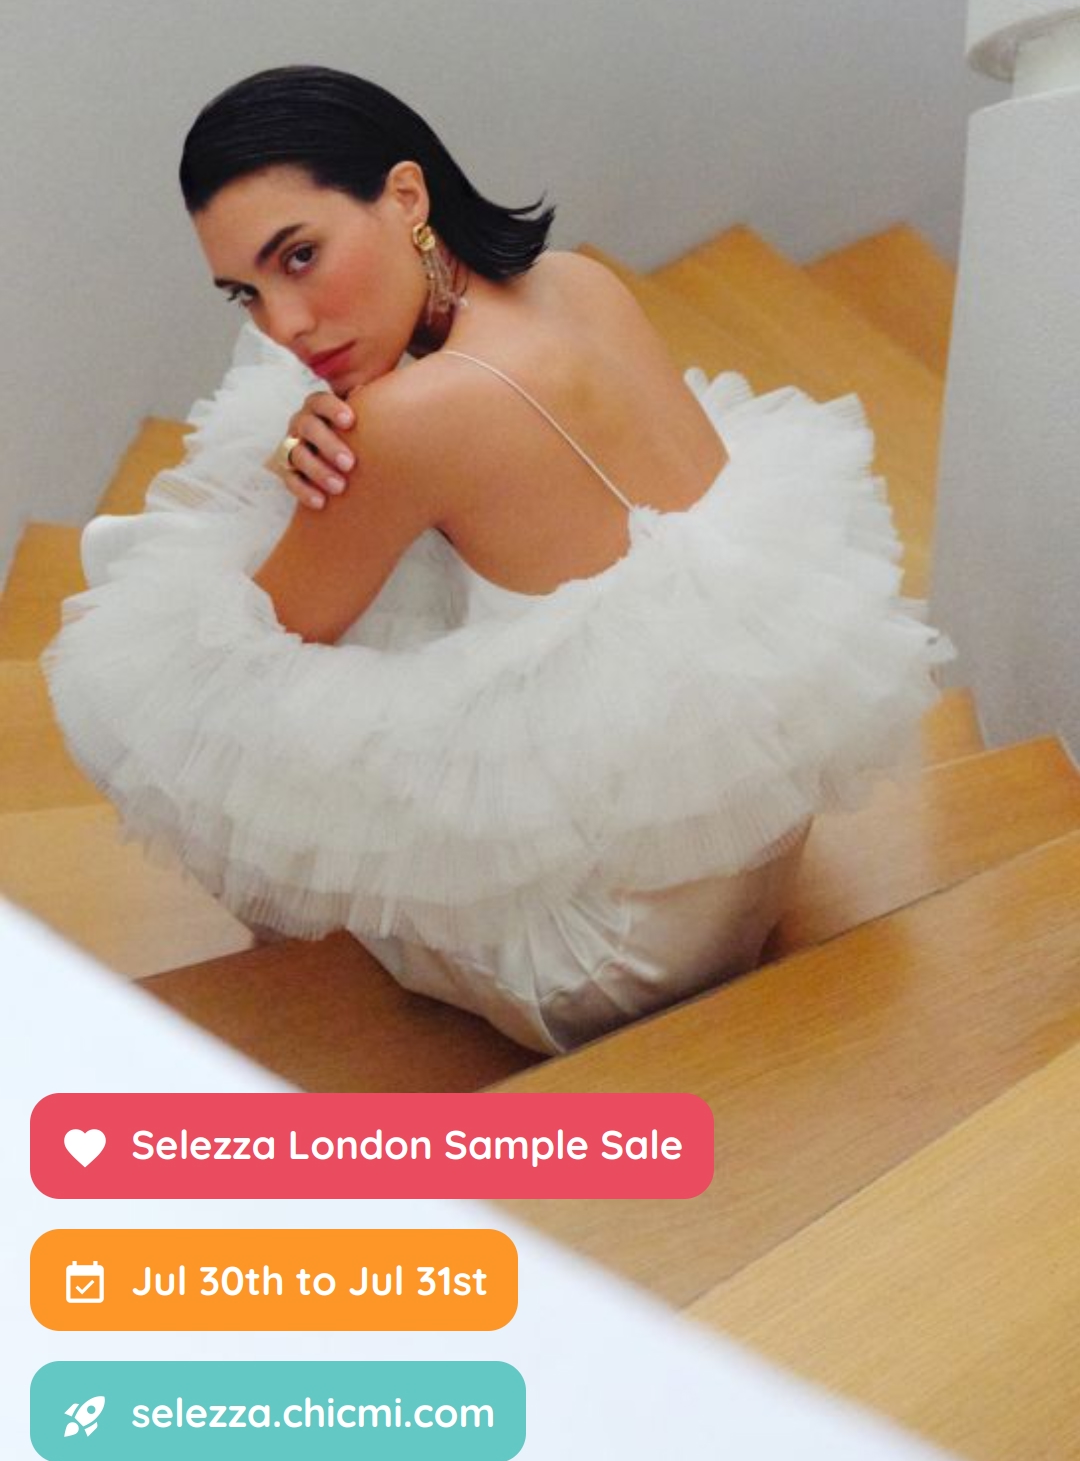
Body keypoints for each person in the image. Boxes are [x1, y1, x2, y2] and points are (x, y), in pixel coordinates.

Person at [43, 65, 955, 1054]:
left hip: (597, 960)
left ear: (406, 196)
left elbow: (228, 668)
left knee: (132, 676)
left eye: (300, 256)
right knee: (357, 558)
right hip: (740, 852)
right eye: (247, 294)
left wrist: (282, 471)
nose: (286, 326)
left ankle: (299, 935)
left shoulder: (412, 420)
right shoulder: (577, 282)